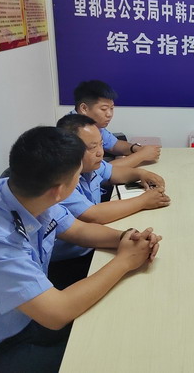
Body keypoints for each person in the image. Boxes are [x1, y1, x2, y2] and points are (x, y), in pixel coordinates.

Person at [0, 127, 162, 372]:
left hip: (25, 315)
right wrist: (125, 261)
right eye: (77, 175)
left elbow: (79, 230)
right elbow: (57, 313)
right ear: (60, 190)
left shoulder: (26, 190)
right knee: (108, 353)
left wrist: (127, 238)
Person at [50, 114, 170, 279]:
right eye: (92, 147)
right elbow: (93, 215)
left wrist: (140, 173)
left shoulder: (88, 165)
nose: (100, 152)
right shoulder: (59, 183)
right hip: (70, 262)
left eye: (101, 144)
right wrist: (143, 201)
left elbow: (79, 230)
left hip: (93, 244)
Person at [72, 79, 161, 167]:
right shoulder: (73, 131)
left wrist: (137, 148)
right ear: (84, 108)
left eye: (111, 108)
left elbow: (114, 145)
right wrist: (142, 156)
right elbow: (100, 171)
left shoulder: (93, 124)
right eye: (104, 109)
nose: (109, 114)